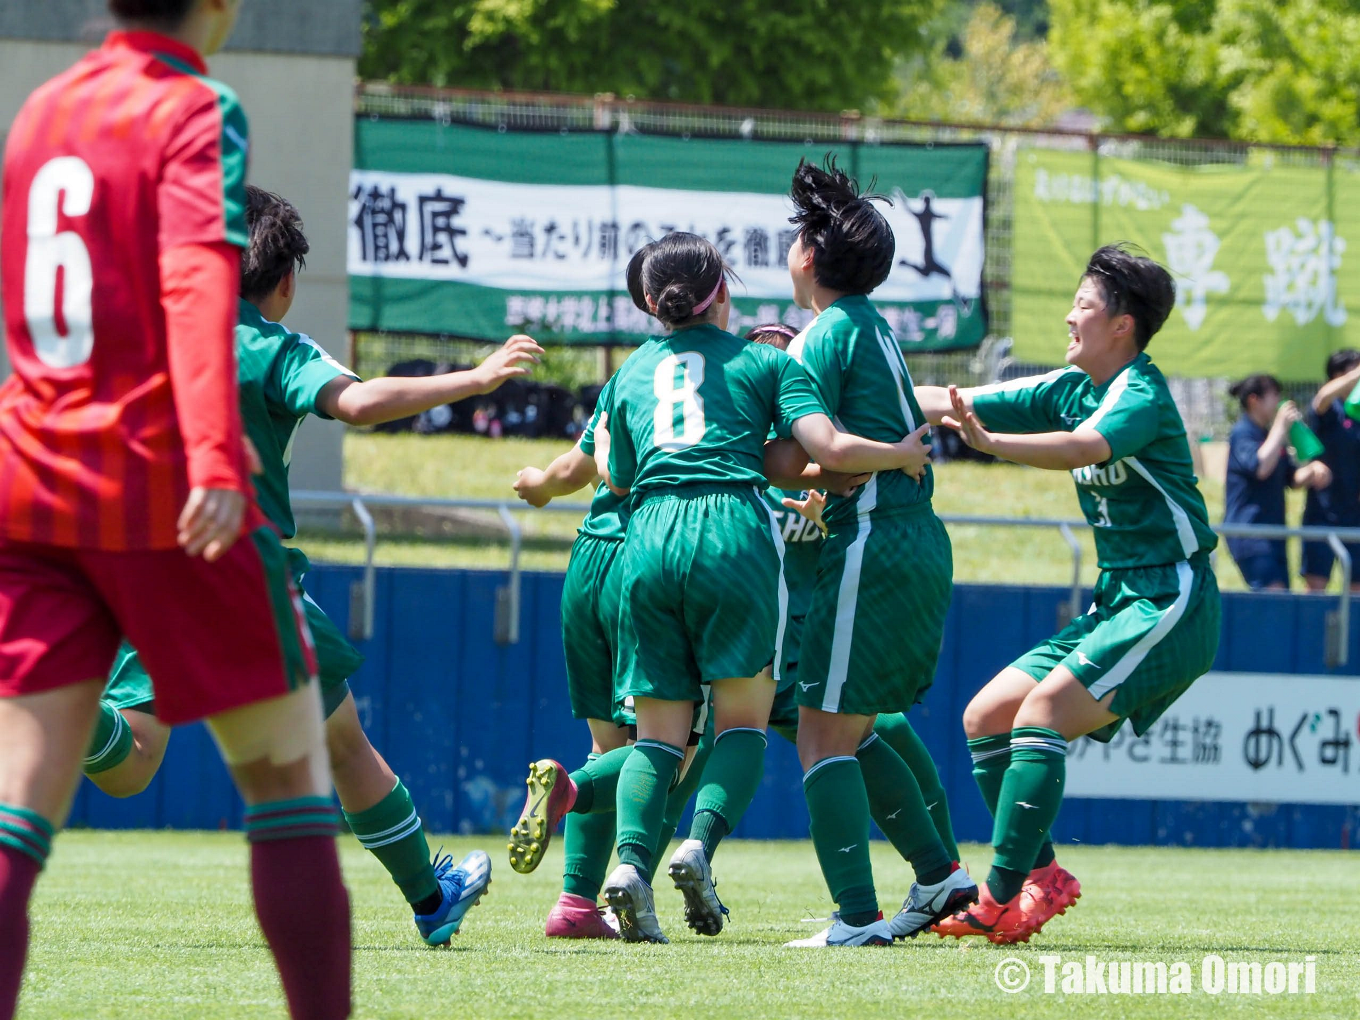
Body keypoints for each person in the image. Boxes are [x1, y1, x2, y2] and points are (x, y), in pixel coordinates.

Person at [0, 3, 351, 1017]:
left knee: (19, 808)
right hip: (158, 479)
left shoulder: (43, 108)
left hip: (35, 476)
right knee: (287, 783)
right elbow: (200, 277)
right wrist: (209, 454)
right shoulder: (193, 102)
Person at [80, 185, 541, 945]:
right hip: (243, 575)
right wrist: (476, 378)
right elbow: (360, 404)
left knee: (130, 764)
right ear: (286, 279)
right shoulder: (273, 347)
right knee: (344, 746)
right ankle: (431, 899)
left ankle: (46, 698)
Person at [525, 232, 931, 944]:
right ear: (720, 293)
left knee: (657, 735)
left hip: (646, 536)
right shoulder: (762, 361)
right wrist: (892, 455)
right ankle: (697, 845)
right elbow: (814, 450)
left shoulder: (629, 371)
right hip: (732, 533)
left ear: (652, 302)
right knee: (742, 723)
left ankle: (628, 868)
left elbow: (618, 474)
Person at [915, 243, 1222, 943]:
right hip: (1118, 599)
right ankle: (1045, 876)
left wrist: (993, 445)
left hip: (1171, 598)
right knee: (987, 716)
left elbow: (1084, 447)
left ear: (1122, 325)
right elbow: (950, 402)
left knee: (1042, 714)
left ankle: (997, 897)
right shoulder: (1070, 385)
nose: (1068, 316)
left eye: (1083, 305)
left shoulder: (1139, 394)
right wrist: (855, 389)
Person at [667, 324, 964, 940]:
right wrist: (866, 463)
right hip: (763, 636)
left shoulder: (817, 448)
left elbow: (913, 407)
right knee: (702, 744)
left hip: (796, 636)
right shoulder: (753, 454)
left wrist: (960, 410)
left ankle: (931, 877)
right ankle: (930, 876)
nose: (783, 373)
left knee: (863, 735)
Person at [779, 160, 975, 949]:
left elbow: (821, 448)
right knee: (853, 729)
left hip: (871, 540)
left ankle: (857, 919)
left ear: (808, 255)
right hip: (909, 538)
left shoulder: (821, 336)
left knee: (818, 736)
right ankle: (939, 877)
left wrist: (885, 458)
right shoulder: (871, 325)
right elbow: (829, 460)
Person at [1223, 375, 1330, 591]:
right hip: (1250, 534)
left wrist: (1312, 470)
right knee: (1274, 598)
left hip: (1274, 536)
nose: (1279, 402)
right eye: (1274, 395)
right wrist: (1280, 426)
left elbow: (1292, 479)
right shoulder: (1243, 433)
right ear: (1254, 400)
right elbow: (1260, 468)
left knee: (1282, 601)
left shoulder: (1269, 436)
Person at [1301, 351, 1360, 591]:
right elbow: (1321, 399)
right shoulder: (1329, 409)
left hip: (1354, 515)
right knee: (1316, 588)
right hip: (1322, 512)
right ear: (1338, 375)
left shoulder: (1357, 411)